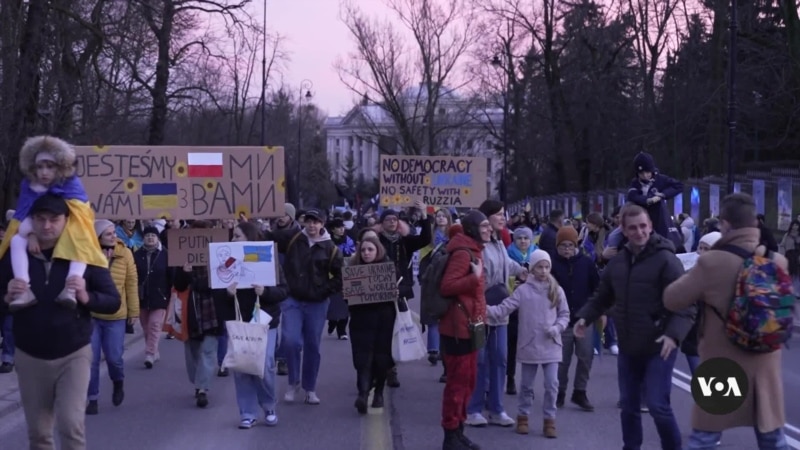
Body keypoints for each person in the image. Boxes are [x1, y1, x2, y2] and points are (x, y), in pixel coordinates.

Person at [664, 193, 790, 450]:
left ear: (725, 224)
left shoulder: (712, 262)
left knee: (704, 439)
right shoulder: (777, 261)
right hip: (765, 364)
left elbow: (672, 299)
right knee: (773, 440)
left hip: (722, 368)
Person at [0, 193, 120, 450]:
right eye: (40, 219)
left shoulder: (84, 252)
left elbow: (112, 300)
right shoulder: (15, 254)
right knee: (39, 434)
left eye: (54, 219)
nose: (46, 226)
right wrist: (6, 296)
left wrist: (86, 296)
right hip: (30, 356)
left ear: (67, 220)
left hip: (73, 353)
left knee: (70, 425)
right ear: (31, 220)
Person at [573, 203, 695, 450]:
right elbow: (602, 296)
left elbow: (686, 304)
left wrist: (673, 336)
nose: (639, 232)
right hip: (629, 347)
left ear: (650, 226)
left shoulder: (666, 260)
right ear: (624, 230)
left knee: (658, 405)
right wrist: (585, 317)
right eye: (633, 228)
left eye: (643, 226)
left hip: (659, 345)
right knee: (628, 406)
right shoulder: (619, 262)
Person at [0, 136, 107, 310]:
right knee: (16, 240)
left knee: (80, 240)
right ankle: (22, 289)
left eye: (49, 167)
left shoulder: (72, 183)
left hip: (72, 226)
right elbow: (24, 214)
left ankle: (71, 288)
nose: (44, 172)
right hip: (39, 230)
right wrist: (32, 234)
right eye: (39, 167)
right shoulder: (28, 185)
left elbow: (79, 215)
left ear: (61, 167)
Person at [486, 249, 569, 438]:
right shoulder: (522, 290)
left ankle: (550, 419)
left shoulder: (556, 289)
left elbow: (565, 315)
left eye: (547, 267)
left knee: (552, 383)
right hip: (529, 344)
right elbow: (504, 308)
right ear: (532, 269)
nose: (543, 270)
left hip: (551, 344)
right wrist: (485, 310)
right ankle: (523, 416)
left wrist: (557, 328)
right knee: (526, 385)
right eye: (539, 267)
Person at [217, 221, 288, 429]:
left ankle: (269, 406)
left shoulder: (267, 258)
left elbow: (284, 291)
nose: (233, 239)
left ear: (250, 237)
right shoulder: (228, 260)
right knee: (242, 366)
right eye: (233, 236)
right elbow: (218, 289)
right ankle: (247, 412)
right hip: (239, 321)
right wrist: (227, 293)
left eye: (237, 236)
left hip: (264, 321)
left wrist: (265, 292)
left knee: (263, 365)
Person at [439, 210, 490, 450]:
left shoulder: (474, 250)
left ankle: (458, 431)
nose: (489, 229)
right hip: (457, 329)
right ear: (472, 229)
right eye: (484, 226)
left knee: (468, 381)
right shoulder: (462, 253)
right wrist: (474, 278)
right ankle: (450, 436)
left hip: (470, 326)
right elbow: (447, 286)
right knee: (457, 384)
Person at [347, 236, 397, 414]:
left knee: (380, 358)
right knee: (361, 359)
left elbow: (405, 288)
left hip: (384, 320)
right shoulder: (353, 269)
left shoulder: (388, 268)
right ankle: (362, 393)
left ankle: (378, 393)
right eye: (363, 250)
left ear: (378, 251)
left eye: (370, 250)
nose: (366, 253)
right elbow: (346, 297)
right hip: (360, 319)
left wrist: (396, 291)